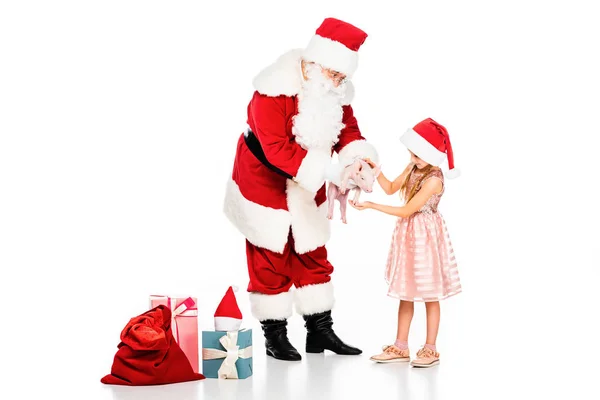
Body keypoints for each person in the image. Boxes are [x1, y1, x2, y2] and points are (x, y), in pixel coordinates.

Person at [223, 17, 379, 361]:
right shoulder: (272, 91)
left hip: (310, 177)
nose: (338, 82)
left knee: (312, 251)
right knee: (271, 254)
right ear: (313, 64)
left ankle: (319, 331)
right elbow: (276, 148)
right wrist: (332, 172)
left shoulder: (333, 90)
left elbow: (348, 131)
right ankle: (274, 335)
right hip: (263, 177)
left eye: (343, 77)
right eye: (333, 75)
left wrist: (357, 161)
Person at [350, 118, 461, 368]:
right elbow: (390, 188)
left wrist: (370, 206)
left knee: (430, 293)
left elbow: (406, 210)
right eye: (412, 153)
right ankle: (401, 346)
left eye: (418, 155)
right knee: (407, 291)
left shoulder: (433, 179)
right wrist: (375, 172)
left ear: (432, 154)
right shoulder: (413, 167)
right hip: (410, 235)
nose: (412, 158)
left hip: (426, 238)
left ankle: (430, 349)